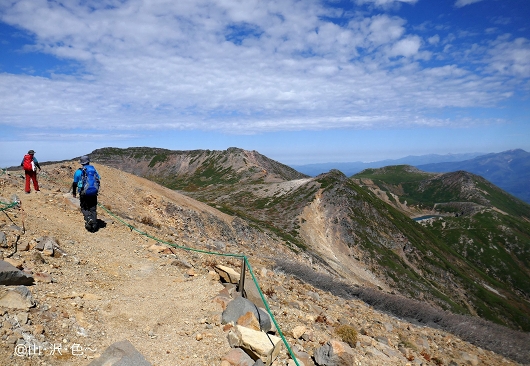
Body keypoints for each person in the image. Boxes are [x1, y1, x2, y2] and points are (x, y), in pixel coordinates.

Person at [72, 155, 101, 232]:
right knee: (93, 208)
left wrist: (74, 193)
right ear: (88, 161)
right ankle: (94, 226)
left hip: (83, 193)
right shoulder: (94, 170)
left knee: (84, 207)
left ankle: (88, 218)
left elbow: (75, 183)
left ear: (81, 163)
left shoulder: (79, 172)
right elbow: (98, 179)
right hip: (93, 192)